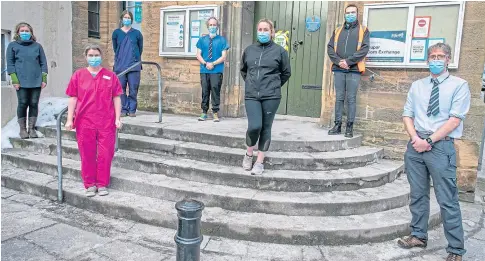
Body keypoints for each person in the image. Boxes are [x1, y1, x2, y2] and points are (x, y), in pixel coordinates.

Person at [399, 43, 470, 261]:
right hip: (416, 144)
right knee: (418, 194)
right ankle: (418, 235)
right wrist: (415, 139)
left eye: (440, 56)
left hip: (441, 146)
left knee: (447, 198)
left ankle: (456, 249)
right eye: (432, 56)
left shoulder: (460, 85)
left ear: (448, 59)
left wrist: (428, 140)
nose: (436, 60)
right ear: (427, 59)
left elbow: (455, 119)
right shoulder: (417, 86)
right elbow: (407, 114)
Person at [65, 44, 123, 197]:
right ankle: (90, 184)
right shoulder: (78, 75)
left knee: (106, 153)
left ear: (101, 56)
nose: (93, 58)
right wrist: (69, 119)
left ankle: (102, 184)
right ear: (86, 57)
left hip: (106, 121)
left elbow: (116, 98)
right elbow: (73, 97)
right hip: (85, 121)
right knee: (87, 153)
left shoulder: (110, 76)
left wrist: (118, 118)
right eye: (90, 55)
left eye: (96, 55)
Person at [240, 18, 291, 175]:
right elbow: (244, 70)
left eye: (266, 30)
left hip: (271, 96)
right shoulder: (249, 50)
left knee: (266, 127)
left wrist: (273, 86)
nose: (262, 32)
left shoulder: (280, 51)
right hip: (252, 95)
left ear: (272, 32)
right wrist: (252, 85)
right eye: (260, 29)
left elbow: (286, 73)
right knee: (254, 126)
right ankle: (249, 153)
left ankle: (260, 162)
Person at [326, 4, 370, 138]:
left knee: (351, 98)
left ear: (357, 14)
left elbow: (364, 48)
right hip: (339, 69)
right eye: (348, 13)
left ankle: (349, 127)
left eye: (352, 12)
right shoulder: (338, 30)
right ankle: (337, 125)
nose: (350, 15)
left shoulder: (363, 30)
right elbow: (330, 48)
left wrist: (348, 62)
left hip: (354, 69)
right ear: (344, 14)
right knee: (339, 98)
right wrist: (339, 62)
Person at [6, 22, 48, 139]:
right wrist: (14, 80)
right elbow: (10, 63)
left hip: (36, 79)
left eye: (27, 31)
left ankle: (32, 129)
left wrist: (44, 78)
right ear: (18, 32)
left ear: (31, 33)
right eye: (22, 31)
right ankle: (23, 130)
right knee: (23, 103)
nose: (25, 33)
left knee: (34, 103)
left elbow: (43, 63)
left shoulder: (37, 46)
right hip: (21, 80)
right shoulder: (13, 46)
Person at [196, 16, 230, 122]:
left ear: (217, 26)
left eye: (214, 25)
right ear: (207, 26)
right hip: (204, 70)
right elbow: (198, 55)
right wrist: (206, 63)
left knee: (215, 90)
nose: (212, 27)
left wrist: (213, 64)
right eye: (210, 25)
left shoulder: (222, 40)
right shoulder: (202, 40)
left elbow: (224, 56)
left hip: (216, 70)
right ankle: (204, 112)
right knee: (205, 91)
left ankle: (215, 112)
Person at [112, 10, 143, 117]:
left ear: (131, 20)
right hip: (120, 65)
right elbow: (116, 48)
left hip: (134, 65)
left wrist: (135, 60)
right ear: (121, 19)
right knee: (121, 88)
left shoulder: (137, 33)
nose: (127, 19)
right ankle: (123, 109)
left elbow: (140, 48)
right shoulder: (116, 33)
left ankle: (132, 110)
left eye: (129, 17)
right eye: (125, 17)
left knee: (134, 88)